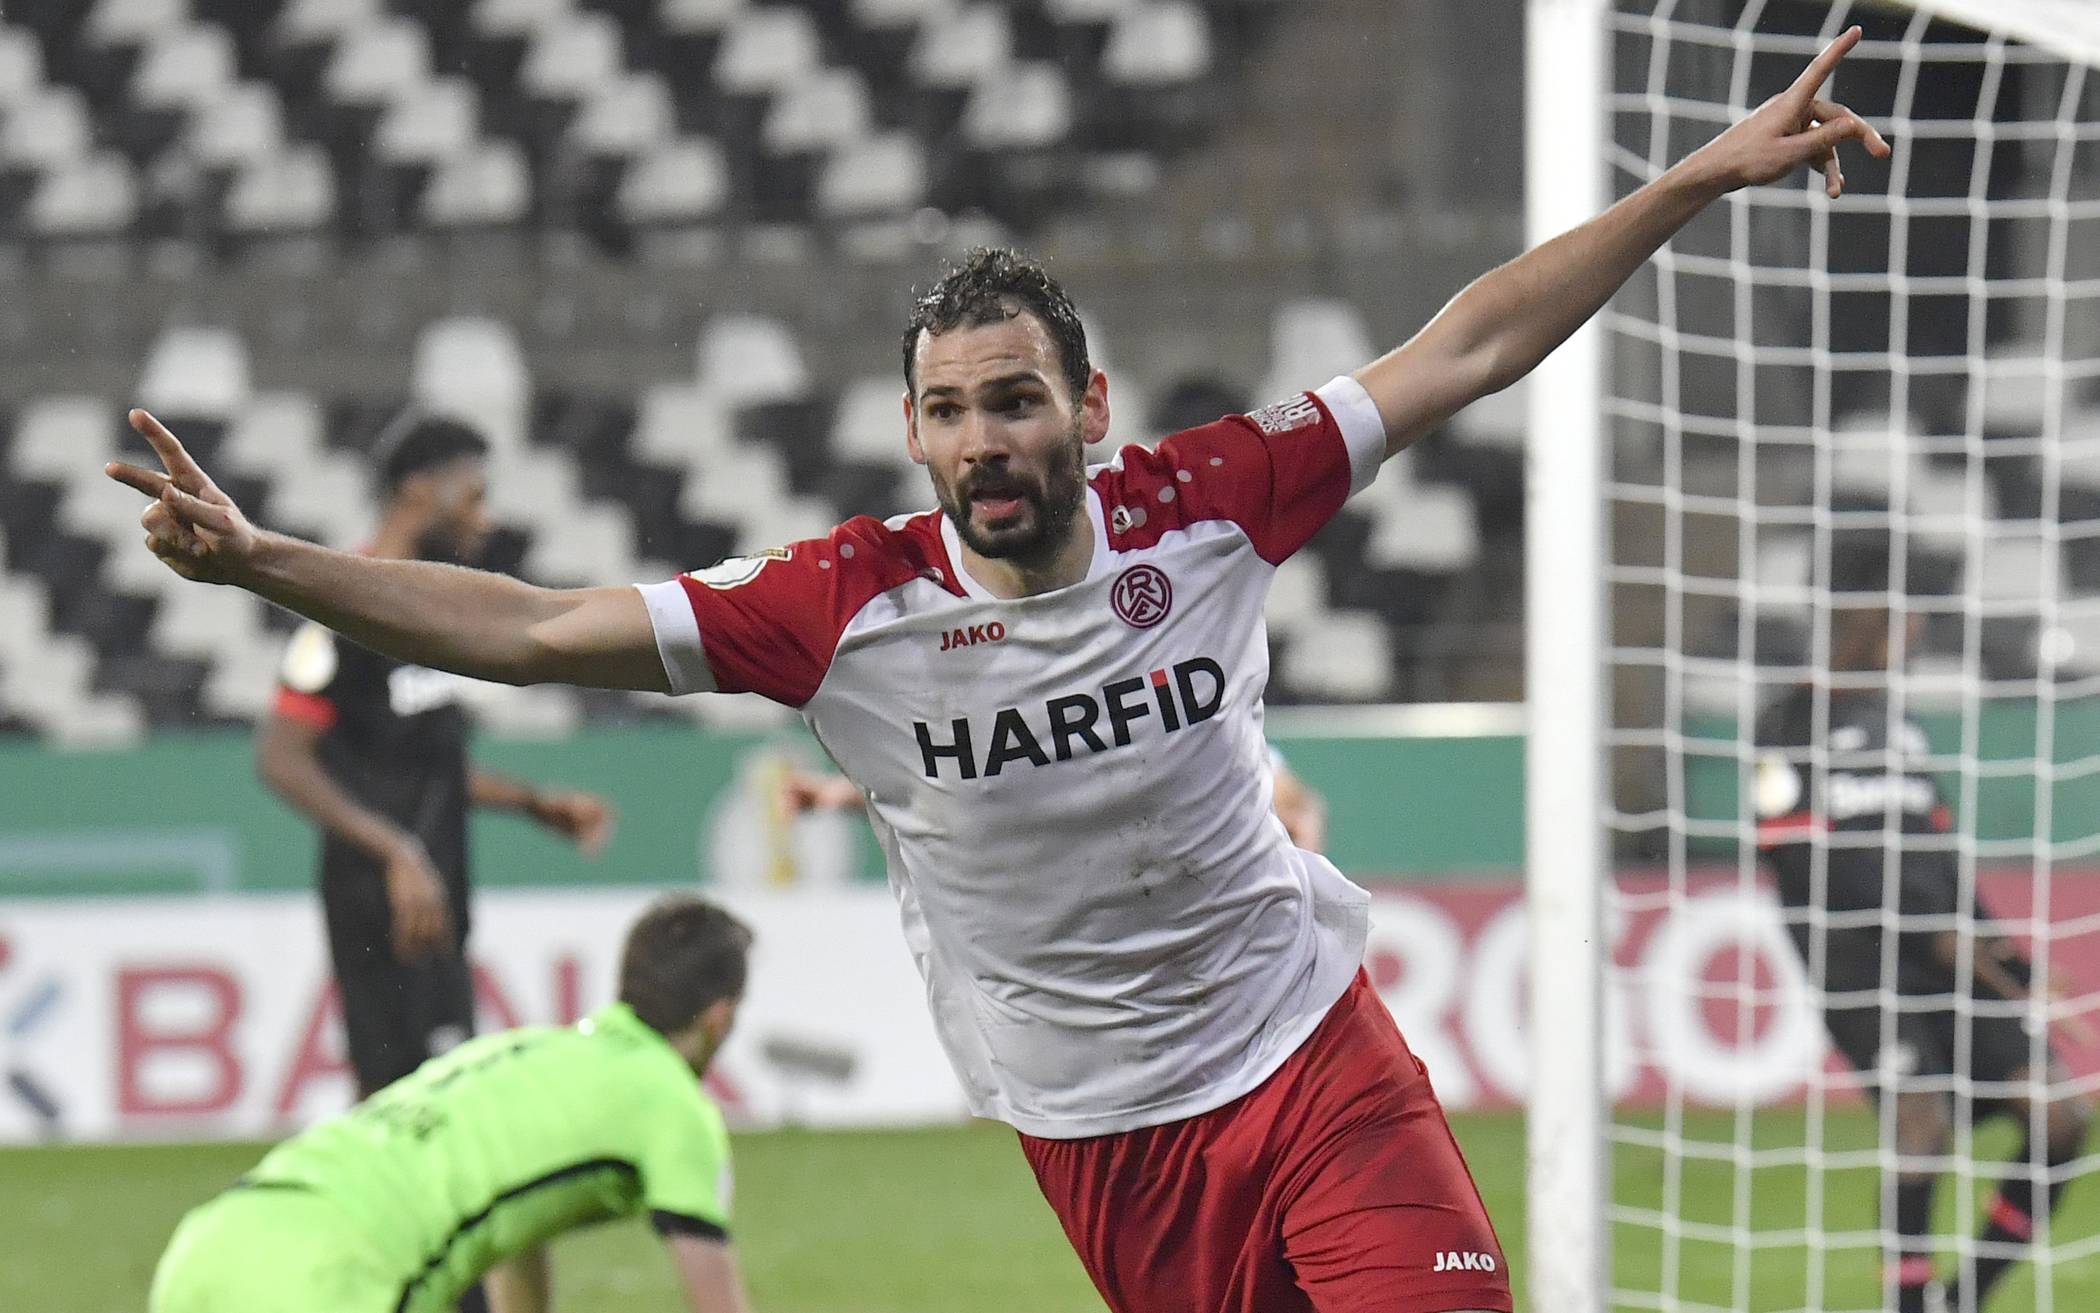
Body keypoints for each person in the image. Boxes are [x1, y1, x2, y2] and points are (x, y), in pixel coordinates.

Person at [109, 31, 1887, 1313]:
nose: (987, 439)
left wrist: (1694, 178)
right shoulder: (836, 608)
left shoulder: (1209, 499)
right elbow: (532, 622)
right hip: (1100, 1132)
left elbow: (1466, 345)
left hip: (1308, 1047)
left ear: (1087, 410)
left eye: (1017, 398)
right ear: (913, 431)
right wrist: (268, 560)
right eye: (951, 412)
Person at [1754, 539, 2093, 1313]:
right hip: (1862, 966)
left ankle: (1963, 1296)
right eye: (1905, 615)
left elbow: (1943, 866)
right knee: (1922, 1118)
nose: (1915, 631)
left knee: (2060, 1115)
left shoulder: (1901, 728)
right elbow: (1799, 865)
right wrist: (1920, 925)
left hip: (1948, 956)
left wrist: (2020, 964)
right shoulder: (1786, 723)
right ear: (1868, 618)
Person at [149, 894, 755, 1313]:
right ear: (720, 1017)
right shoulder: (674, 1107)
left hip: (213, 1242)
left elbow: (516, 1230)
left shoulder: (530, 1049)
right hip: (329, 1278)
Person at [256, 416, 616, 1100]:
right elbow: (281, 757)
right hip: (382, 901)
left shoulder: (427, 614)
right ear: (420, 492)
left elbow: (414, 761)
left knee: (445, 1103)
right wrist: (396, 852)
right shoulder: (336, 612)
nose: (487, 514)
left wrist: (533, 804)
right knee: (401, 1111)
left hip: (435, 889)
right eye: (473, 494)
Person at [781, 743, 1329, 852]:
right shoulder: (1072, 749)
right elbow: (945, 790)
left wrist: (1303, 861)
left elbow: (1301, 812)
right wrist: (831, 797)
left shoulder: (1241, 756)